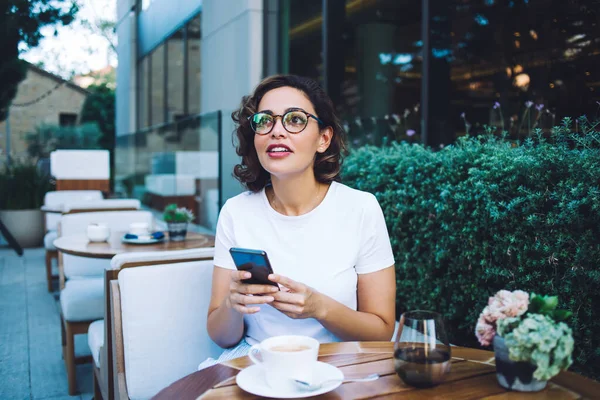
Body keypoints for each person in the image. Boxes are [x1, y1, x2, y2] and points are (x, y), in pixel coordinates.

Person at [204, 75, 396, 366]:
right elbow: (221, 336)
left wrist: (320, 308)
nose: (276, 131)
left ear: (323, 139)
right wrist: (233, 305)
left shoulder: (361, 208)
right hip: (257, 363)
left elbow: (382, 332)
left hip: (339, 366)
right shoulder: (236, 212)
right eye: (264, 121)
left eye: (294, 120)